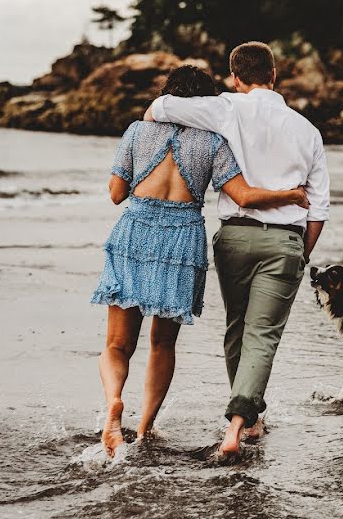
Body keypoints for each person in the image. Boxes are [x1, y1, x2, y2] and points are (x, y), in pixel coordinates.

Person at [91, 64, 309, 457]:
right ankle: (143, 429)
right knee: (162, 343)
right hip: (181, 240)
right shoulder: (213, 141)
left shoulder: (137, 131)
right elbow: (242, 196)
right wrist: (290, 196)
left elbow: (116, 193)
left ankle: (113, 408)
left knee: (117, 345)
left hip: (135, 232)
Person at [144, 41, 330, 457]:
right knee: (262, 334)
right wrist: (301, 254)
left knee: (238, 329)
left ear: (234, 76)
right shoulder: (307, 130)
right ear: (274, 75)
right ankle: (238, 424)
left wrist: (152, 118)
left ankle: (248, 418)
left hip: (233, 238)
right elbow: (318, 207)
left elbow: (162, 108)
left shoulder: (226, 107)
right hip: (284, 241)